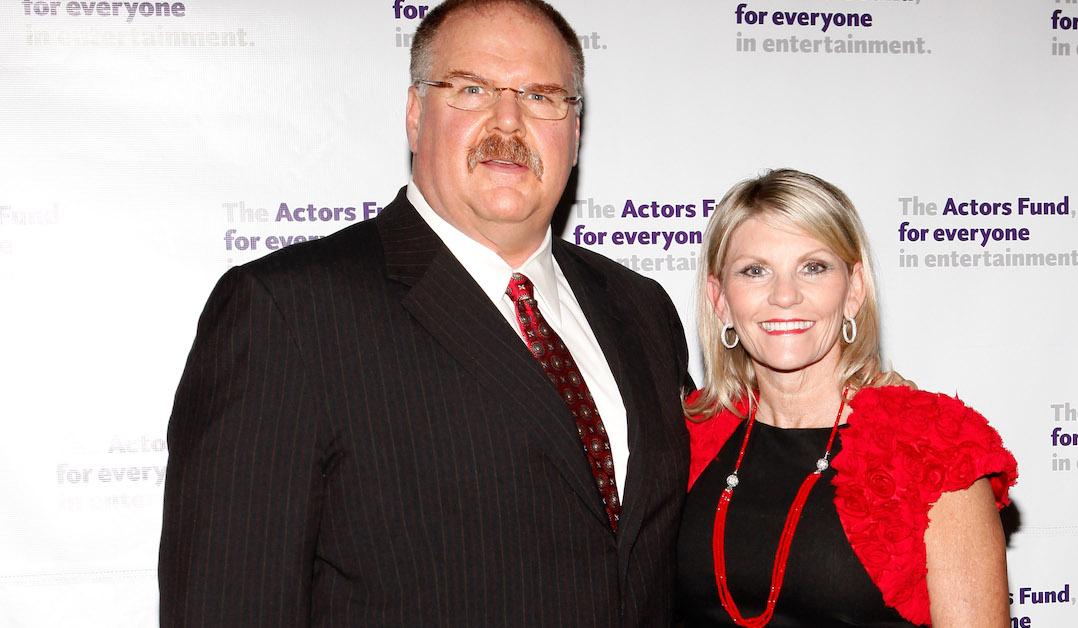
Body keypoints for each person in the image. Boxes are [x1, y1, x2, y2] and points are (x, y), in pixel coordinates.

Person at [158, 1, 691, 625]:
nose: (509, 122)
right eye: (471, 90)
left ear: (575, 131)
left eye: (542, 97)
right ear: (415, 116)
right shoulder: (288, 314)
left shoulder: (641, 308)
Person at [676, 169, 1017, 627]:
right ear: (720, 299)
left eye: (813, 267)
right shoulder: (690, 434)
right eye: (754, 271)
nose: (784, 296)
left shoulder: (930, 448)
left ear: (854, 290)